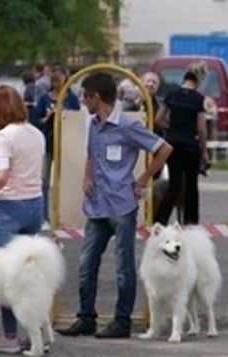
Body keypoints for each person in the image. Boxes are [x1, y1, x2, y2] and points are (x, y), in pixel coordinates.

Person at [56, 72, 172, 339]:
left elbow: (164, 149)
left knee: (123, 267)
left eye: (85, 96)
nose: (83, 101)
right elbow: (90, 154)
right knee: (86, 264)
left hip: (122, 206)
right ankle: (86, 317)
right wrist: (87, 176)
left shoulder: (127, 126)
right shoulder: (94, 125)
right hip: (97, 205)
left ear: (96, 97)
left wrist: (144, 177)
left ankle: (122, 321)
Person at [0, 85, 45, 353]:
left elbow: (2, 176)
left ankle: (10, 336)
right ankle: (36, 333)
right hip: (35, 204)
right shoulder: (36, 133)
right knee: (30, 274)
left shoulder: (4, 136)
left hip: (8, 208)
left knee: (6, 274)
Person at [154, 62, 209, 226]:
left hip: (172, 144)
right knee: (191, 185)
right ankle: (190, 222)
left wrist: (169, 129)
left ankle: (160, 219)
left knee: (174, 184)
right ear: (199, 80)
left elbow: (157, 119)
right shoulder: (198, 99)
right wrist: (204, 151)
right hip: (190, 146)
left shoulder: (171, 94)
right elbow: (201, 129)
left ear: (184, 77)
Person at [32, 69, 80, 230]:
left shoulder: (72, 99)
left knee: (66, 182)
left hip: (66, 143)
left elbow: (77, 119)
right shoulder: (44, 99)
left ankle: (64, 216)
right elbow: (35, 120)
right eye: (54, 81)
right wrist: (47, 119)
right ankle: (43, 217)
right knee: (43, 182)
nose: (57, 84)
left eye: (60, 80)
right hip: (47, 142)